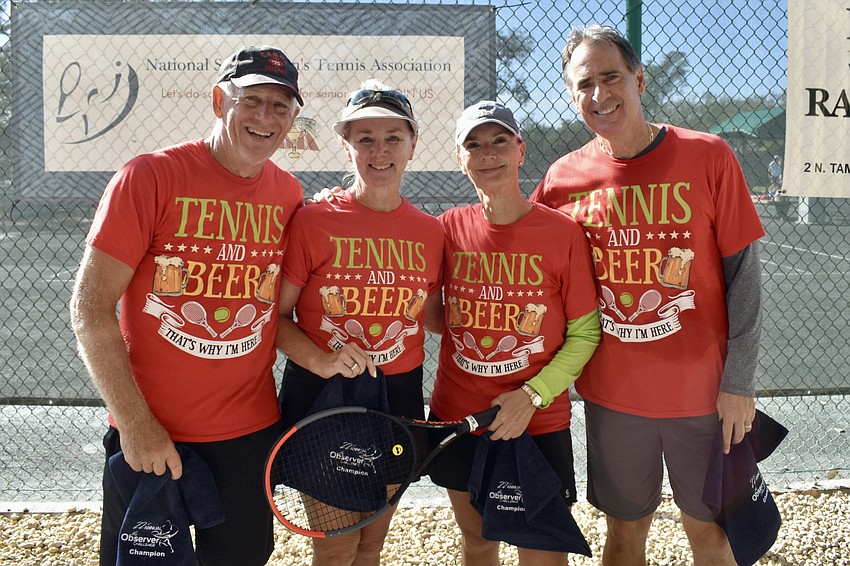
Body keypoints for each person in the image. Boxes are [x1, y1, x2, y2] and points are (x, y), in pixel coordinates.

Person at [530, 25, 765, 565]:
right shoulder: (563, 177)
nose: (599, 94)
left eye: (611, 77)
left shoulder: (708, 155)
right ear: (571, 96)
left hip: (704, 399)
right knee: (624, 533)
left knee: (710, 535)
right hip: (614, 399)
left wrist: (739, 384)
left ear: (638, 78)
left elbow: (745, 280)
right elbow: (519, 247)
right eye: (584, 84)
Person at [69, 45, 305, 565]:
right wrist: (135, 423)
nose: (265, 117)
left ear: (293, 119)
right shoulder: (149, 176)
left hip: (249, 432)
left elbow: (288, 302)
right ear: (220, 100)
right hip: (155, 432)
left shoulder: (289, 194)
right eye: (252, 101)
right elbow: (90, 308)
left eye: (281, 106)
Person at [425, 100, 601, 565]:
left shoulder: (562, 233)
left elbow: (585, 335)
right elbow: (428, 310)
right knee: (478, 541)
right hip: (461, 418)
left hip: (537, 420)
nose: (488, 153)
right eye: (474, 144)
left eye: (500, 141)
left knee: (541, 551)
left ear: (521, 150)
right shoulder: (445, 230)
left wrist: (532, 395)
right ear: (460, 159)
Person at [275, 80, 444, 565]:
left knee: (371, 541)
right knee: (337, 545)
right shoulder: (314, 221)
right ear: (345, 144)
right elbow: (276, 317)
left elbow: (434, 319)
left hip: (398, 396)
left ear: (413, 144)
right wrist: (321, 360)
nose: (379, 150)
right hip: (327, 396)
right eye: (364, 137)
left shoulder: (431, 232)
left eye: (393, 137)